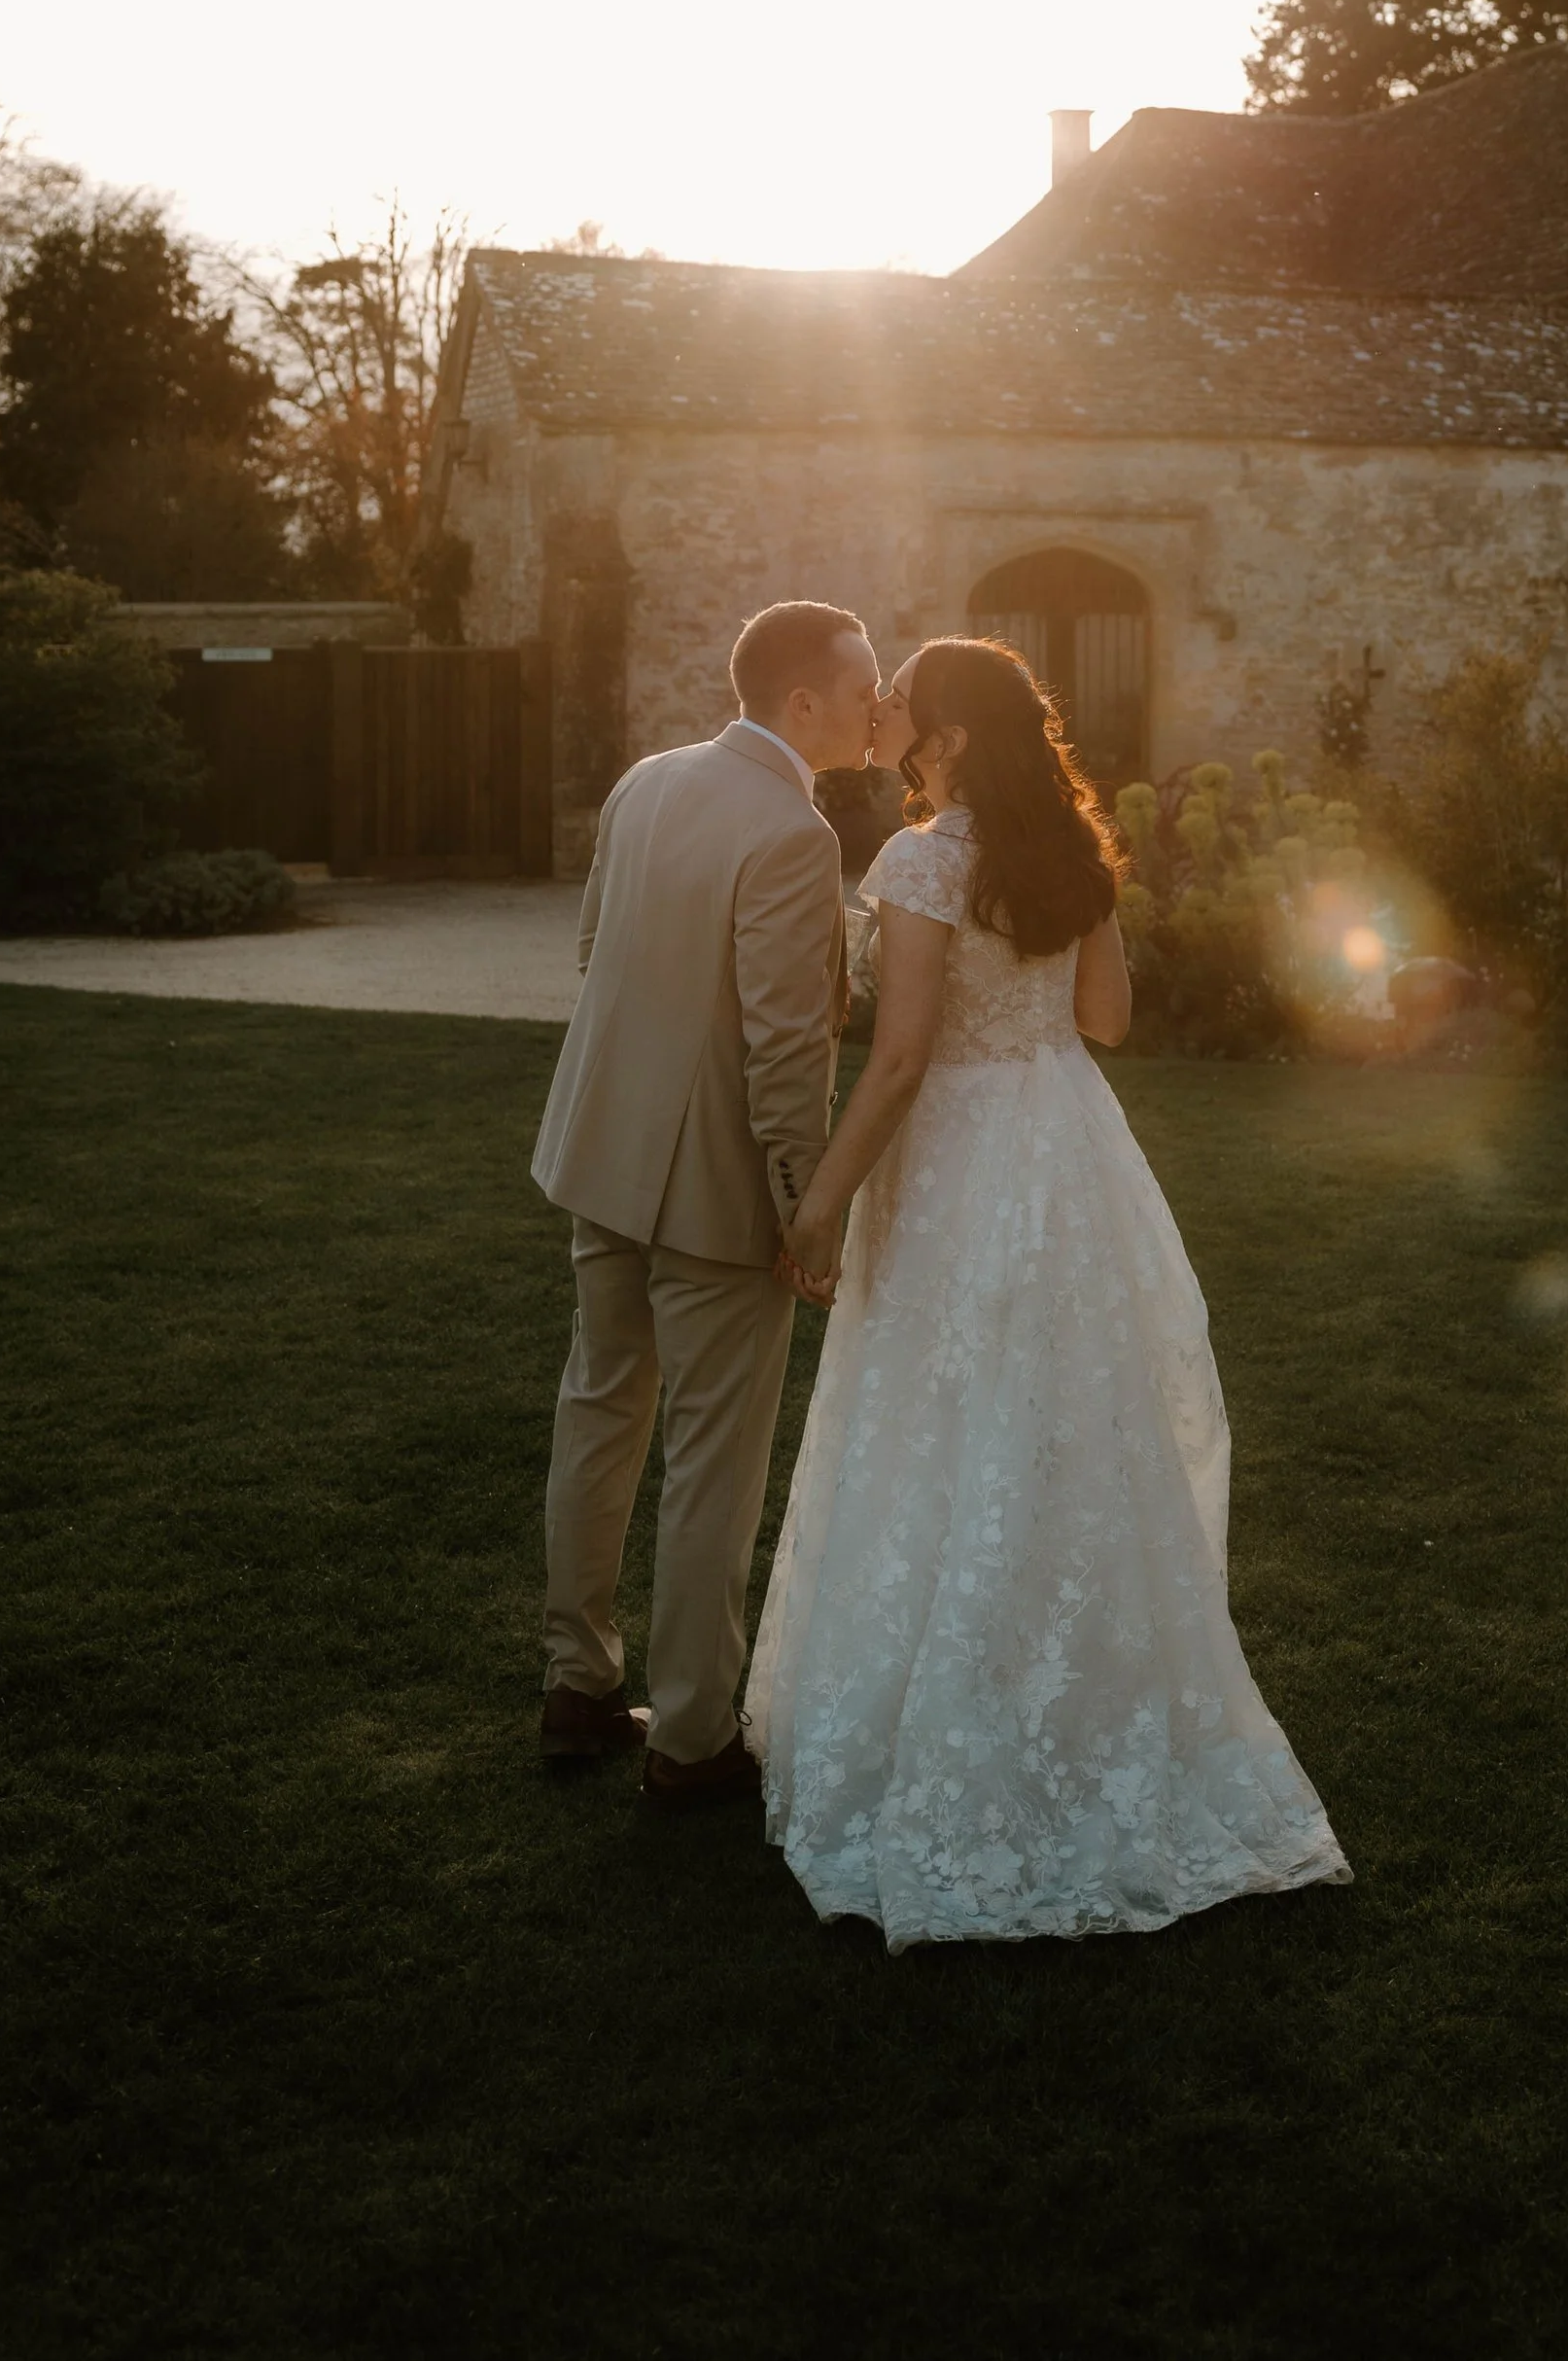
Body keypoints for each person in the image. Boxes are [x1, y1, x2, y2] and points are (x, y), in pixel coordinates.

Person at [745, 637, 1348, 1946]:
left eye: (907, 690)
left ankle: (962, 1718)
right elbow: (1109, 1019)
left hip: (963, 1149)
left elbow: (900, 1055)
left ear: (949, 736)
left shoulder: (917, 859)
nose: (888, 701)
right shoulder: (1066, 852)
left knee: (941, 1409)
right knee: (1065, 1419)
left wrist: (823, 1194)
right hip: (1067, 1144)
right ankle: (1075, 1691)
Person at [531, 599, 880, 1807]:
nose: (877, 706)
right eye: (863, 686)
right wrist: (806, 1207)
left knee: (600, 1410)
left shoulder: (647, 781)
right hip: (714, 1191)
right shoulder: (792, 831)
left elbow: (592, 952)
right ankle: (688, 1741)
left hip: (600, 1157)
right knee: (713, 1468)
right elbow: (788, 1053)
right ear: (802, 704)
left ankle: (576, 1688)